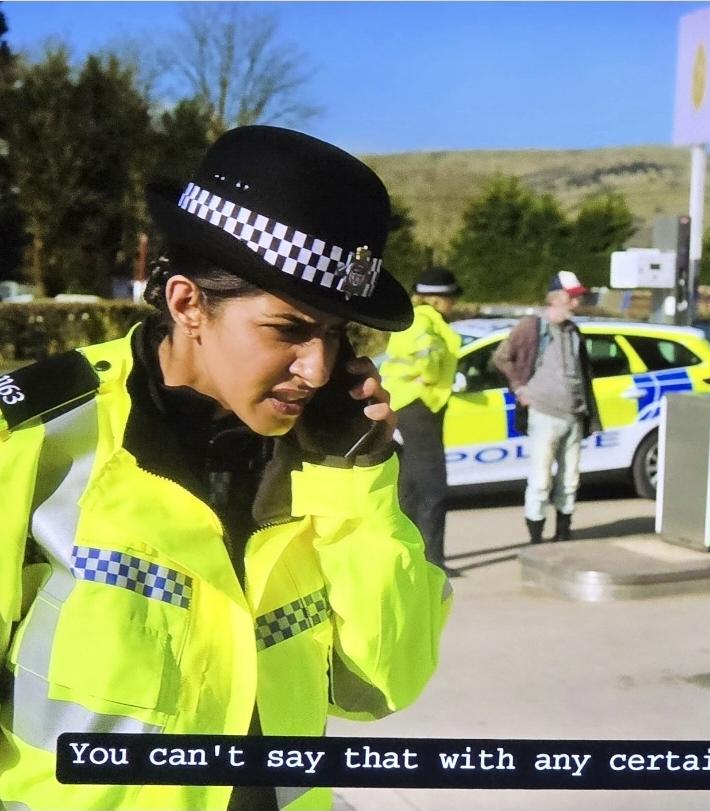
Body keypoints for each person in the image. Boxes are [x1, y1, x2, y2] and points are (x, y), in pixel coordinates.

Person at [0, 126, 452, 810]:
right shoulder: (40, 439)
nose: (317, 369)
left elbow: (384, 684)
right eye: (288, 329)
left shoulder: (334, 461)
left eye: (335, 334)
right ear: (187, 303)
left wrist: (356, 486)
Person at [493, 271, 603, 544]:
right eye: (571, 297)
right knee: (541, 479)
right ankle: (536, 538)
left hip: (574, 415)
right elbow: (502, 357)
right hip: (544, 414)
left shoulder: (573, 331)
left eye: (577, 298)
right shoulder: (532, 327)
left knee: (570, 478)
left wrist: (587, 412)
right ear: (555, 298)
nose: (576, 303)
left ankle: (563, 533)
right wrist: (520, 389)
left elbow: (583, 373)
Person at [380, 266, 463, 576]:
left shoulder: (414, 319)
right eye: (452, 298)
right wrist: (428, 378)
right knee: (433, 488)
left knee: (412, 486)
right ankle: (432, 562)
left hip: (407, 404)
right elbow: (428, 357)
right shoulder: (425, 321)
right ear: (439, 299)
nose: (454, 303)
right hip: (419, 403)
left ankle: (411, 558)